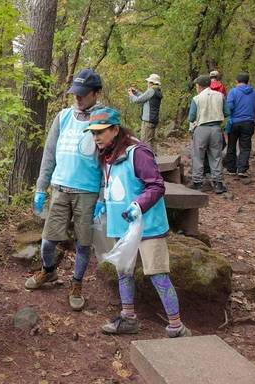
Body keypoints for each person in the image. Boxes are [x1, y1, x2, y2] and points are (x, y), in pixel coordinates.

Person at [86, 106, 191, 338]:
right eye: (92, 133)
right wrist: (103, 201)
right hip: (122, 227)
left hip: (148, 226)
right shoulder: (107, 155)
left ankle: (177, 326)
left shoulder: (138, 152)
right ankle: (128, 318)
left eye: (100, 132)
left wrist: (138, 205)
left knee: (158, 273)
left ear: (115, 130)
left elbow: (156, 185)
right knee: (124, 272)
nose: (95, 137)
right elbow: (111, 183)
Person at [27, 68, 103, 312]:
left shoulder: (103, 119)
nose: (78, 98)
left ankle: (77, 284)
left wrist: (104, 195)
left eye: (83, 94)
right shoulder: (63, 117)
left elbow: (109, 160)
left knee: (83, 243)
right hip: (60, 187)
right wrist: (41, 187)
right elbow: (49, 154)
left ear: (95, 93)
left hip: (88, 191)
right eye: (75, 94)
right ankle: (48, 271)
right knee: (48, 241)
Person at [187, 75, 229, 194]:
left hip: (201, 129)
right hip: (216, 128)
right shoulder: (220, 96)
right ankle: (218, 184)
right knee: (216, 156)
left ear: (199, 86)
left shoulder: (197, 98)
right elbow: (227, 112)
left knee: (198, 155)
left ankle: (198, 183)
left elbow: (191, 117)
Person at [224, 72, 255, 178]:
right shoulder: (254, 92)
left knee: (231, 146)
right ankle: (242, 170)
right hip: (248, 122)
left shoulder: (233, 92)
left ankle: (231, 169)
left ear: (236, 81)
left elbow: (229, 107)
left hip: (234, 122)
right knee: (245, 147)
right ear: (248, 81)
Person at [128, 74, 163, 153]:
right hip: (154, 119)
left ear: (151, 82)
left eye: (148, 82)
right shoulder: (157, 90)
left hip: (148, 120)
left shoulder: (151, 90)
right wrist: (136, 92)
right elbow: (144, 97)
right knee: (152, 141)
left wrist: (131, 95)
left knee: (145, 141)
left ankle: (148, 160)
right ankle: (154, 159)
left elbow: (138, 100)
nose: (147, 83)